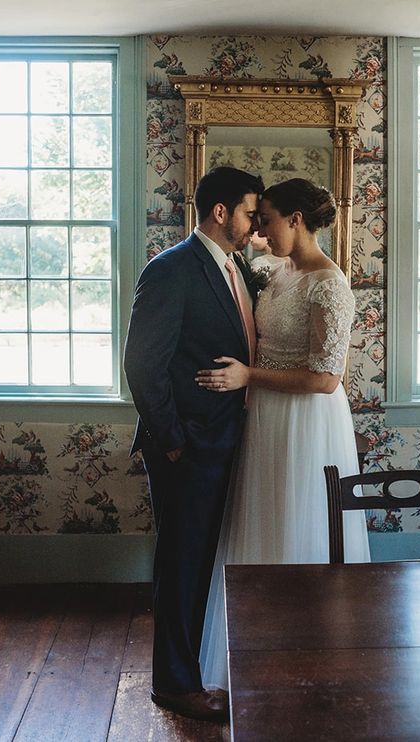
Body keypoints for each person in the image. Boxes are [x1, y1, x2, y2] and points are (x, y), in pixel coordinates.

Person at [194, 178, 370, 691]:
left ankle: (309, 660)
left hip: (306, 422)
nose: (261, 231)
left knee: (301, 523)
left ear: (296, 219)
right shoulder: (279, 271)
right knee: (263, 523)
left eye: (268, 219)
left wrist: (250, 376)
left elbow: (325, 378)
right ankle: (255, 657)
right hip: (267, 416)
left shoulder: (329, 284)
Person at [123, 166, 264, 722]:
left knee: (206, 560)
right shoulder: (171, 270)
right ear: (221, 212)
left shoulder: (237, 270)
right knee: (182, 564)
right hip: (188, 447)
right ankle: (176, 685)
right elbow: (142, 363)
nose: (257, 225)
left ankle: (198, 666)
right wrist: (174, 441)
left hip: (229, 440)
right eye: (251, 212)